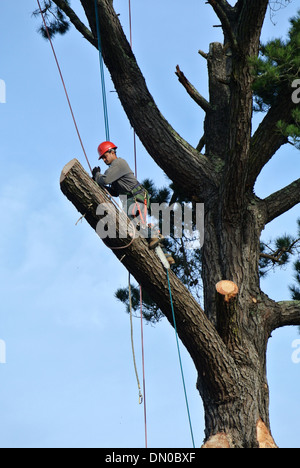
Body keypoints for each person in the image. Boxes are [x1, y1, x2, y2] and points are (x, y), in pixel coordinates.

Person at [92, 141, 175, 265]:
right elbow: (114, 192)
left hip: (135, 198)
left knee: (130, 223)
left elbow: (105, 179)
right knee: (137, 227)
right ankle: (165, 255)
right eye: (102, 158)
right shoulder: (114, 169)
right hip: (132, 199)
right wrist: (101, 185)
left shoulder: (118, 163)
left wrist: (97, 175)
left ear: (112, 152)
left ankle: (154, 234)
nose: (104, 160)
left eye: (105, 156)